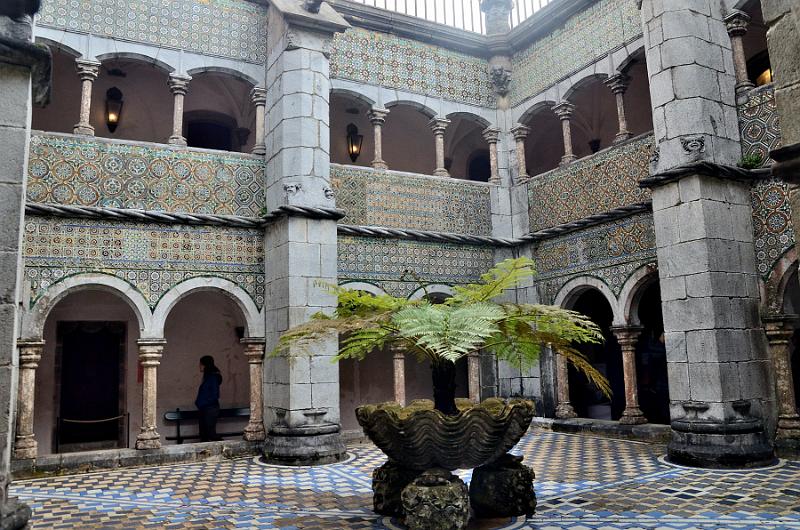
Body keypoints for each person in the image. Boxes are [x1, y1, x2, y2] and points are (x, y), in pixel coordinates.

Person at [196, 355, 222, 442]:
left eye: (201, 364)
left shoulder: (212, 377)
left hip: (210, 409)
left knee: (210, 434)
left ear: (205, 365)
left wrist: (201, 403)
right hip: (205, 408)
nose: (199, 366)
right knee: (204, 434)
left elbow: (215, 395)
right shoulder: (208, 377)